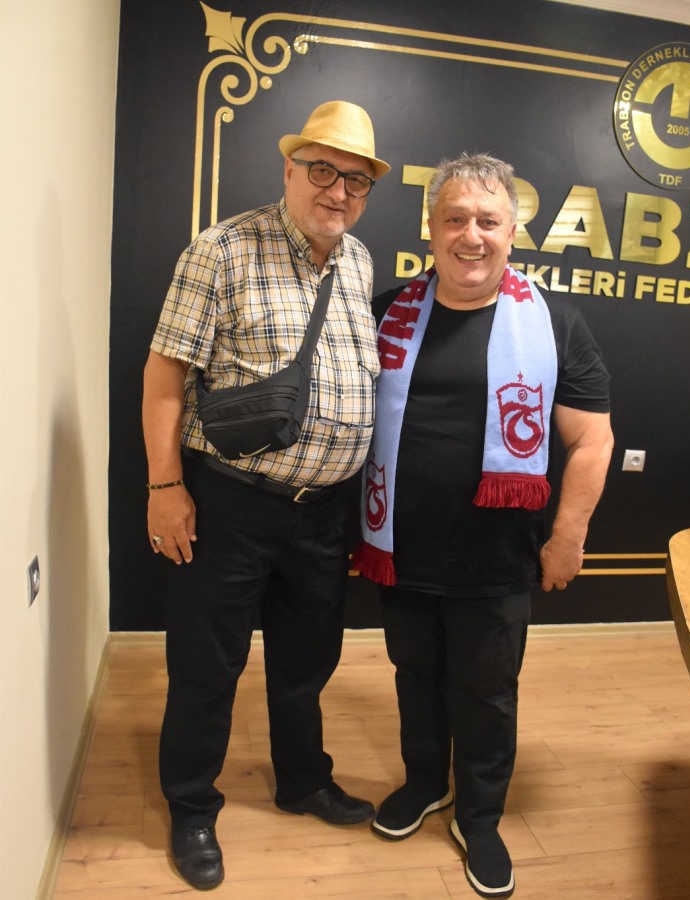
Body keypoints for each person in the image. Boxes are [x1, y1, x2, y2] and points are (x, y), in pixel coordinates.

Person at [142, 100, 390, 891]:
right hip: (230, 504)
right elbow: (164, 378)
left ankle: (302, 781)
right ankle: (191, 805)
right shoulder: (221, 250)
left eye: (355, 180)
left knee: (305, 662)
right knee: (206, 665)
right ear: (289, 169)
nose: (337, 191)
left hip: (323, 514)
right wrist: (165, 486)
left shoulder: (358, 262)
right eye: (322, 171)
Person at [353, 153, 613, 898]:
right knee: (415, 677)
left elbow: (592, 441)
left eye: (488, 221)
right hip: (400, 547)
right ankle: (425, 783)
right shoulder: (386, 312)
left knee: (487, 692)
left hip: (497, 557)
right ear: (431, 228)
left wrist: (568, 538)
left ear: (513, 231)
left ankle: (481, 815)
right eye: (455, 218)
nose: (472, 235)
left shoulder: (554, 323)